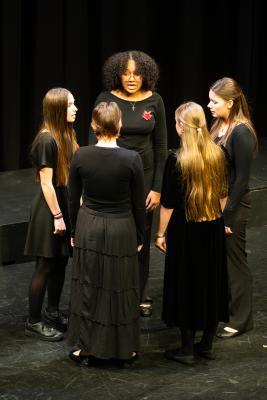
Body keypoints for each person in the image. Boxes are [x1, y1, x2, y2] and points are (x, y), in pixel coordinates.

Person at [89, 50, 168, 317]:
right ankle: (113, 288)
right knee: (115, 235)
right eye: (126, 73)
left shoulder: (155, 101)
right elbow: (95, 143)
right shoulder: (105, 99)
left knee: (142, 238)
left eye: (136, 73)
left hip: (144, 180)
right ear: (117, 74)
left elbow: (161, 147)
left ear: (146, 74)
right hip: (114, 179)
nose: (131, 78)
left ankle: (140, 291)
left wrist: (157, 187)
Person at [68, 101, 145, 366]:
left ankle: (85, 347)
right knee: (120, 287)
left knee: (90, 284)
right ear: (120, 125)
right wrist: (140, 236)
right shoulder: (132, 159)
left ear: (93, 125)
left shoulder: (81, 156)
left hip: (88, 225)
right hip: (121, 227)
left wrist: (73, 230)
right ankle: (124, 350)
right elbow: (138, 204)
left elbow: (72, 198)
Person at [155, 102, 229, 365]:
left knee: (185, 283)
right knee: (212, 282)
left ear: (180, 126)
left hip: (185, 231)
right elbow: (223, 196)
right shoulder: (219, 154)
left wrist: (160, 234)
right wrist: (215, 217)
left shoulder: (176, 160)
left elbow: (168, 204)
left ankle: (186, 349)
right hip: (212, 228)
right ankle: (206, 344)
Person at [24, 87, 78, 341]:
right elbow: (47, 183)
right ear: (58, 109)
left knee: (61, 261)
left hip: (63, 203)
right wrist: (57, 216)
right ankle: (34, 321)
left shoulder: (66, 133)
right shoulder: (46, 140)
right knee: (45, 264)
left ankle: (53, 312)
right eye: (70, 105)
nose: (75, 109)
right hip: (50, 208)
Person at [208, 77, 258, 338]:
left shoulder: (241, 132)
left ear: (230, 102)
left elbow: (241, 180)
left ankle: (241, 319)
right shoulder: (219, 125)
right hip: (217, 202)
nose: (209, 105)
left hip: (233, 206)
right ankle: (227, 309)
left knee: (235, 259)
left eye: (214, 102)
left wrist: (227, 216)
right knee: (223, 259)